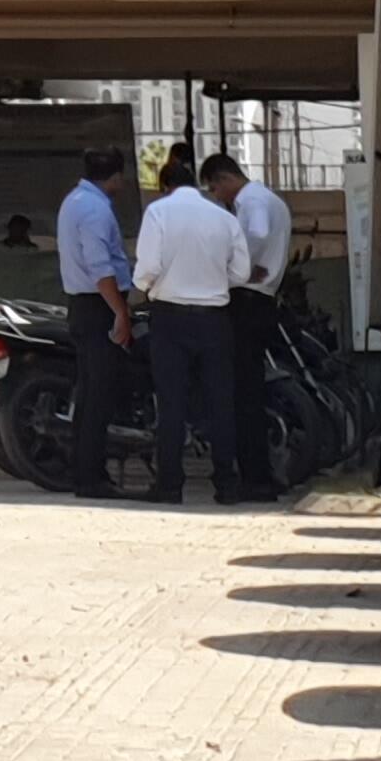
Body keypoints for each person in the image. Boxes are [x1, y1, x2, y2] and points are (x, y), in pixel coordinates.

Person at [132, 154, 259, 502]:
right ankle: (226, 484)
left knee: (171, 403)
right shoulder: (224, 217)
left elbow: (147, 267)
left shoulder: (158, 213)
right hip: (215, 319)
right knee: (221, 402)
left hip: (170, 318)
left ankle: (170, 485)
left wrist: (147, 287)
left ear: (165, 187)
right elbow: (241, 273)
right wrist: (213, 281)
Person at [207, 151, 293, 494]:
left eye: (216, 189)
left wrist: (240, 268)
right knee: (250, 390)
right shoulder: (269, 199)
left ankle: (254, 477)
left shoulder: (251, 201)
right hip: (262, 298)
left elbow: (256, 234)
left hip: (247, 301)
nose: (218, 198)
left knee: (243, 393)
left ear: (225, 178)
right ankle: (260, 474)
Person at [54, 146, 138, 498]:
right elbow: (99, 267)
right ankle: (91, 477)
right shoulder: (94, 209)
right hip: (98, 306)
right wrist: (120, 311)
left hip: (86, 304)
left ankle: (85, 471)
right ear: (115, 177)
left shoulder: (76, 201)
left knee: (90, 393)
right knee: (98, 395)